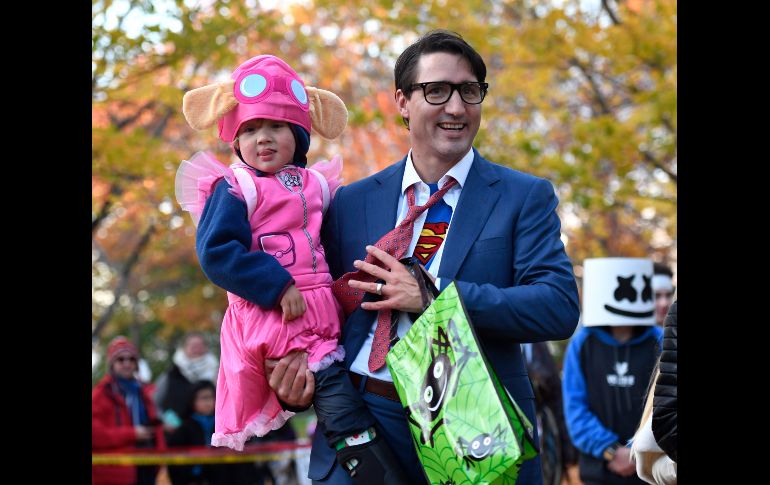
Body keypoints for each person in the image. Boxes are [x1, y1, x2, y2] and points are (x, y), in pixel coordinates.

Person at [267, 30, 580, 485]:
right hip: (362, 422)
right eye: (436, 91)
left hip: (472, 428)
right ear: (402, 102)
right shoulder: (348, 202)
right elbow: (318, 307)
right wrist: (296, 380)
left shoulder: (523, 196)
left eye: (469, 91)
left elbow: (557, 307)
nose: (456, 107)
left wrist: (435, 297)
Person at [175, 54, 407, 483]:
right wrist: (276, 286)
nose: (263, 138)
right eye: (250, 129)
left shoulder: (316, 184)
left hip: (322, 307)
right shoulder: (235, 188)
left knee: (345, 382)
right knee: (337, 397)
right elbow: (216, 252)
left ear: (298, 135)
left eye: (276, 127)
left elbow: (332, 247)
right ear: (235, 139)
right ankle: (373, 468)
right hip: (276, 313)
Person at [562, 258, 663, 485]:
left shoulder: (660, 341)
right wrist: (609, 450)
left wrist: (638, 451)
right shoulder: (582, 344)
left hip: (649, 472)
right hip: (598, 471)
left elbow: (667, 403)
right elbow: (575, 407)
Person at [92, 336, 166, 485]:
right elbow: (95, 436)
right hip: (115, 473)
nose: (127, 363)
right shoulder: (101, 394)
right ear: (112, 364)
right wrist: (132, 434)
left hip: (148, 465)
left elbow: (155, 425)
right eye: (120, 359)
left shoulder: (144, 391)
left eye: (132, 359)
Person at [167, 380, 265, 485]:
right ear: (192, 400)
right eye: (203, 398)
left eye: (211, 397)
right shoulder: (184, 429)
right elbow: (175, 461)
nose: (208, 402)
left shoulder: (228, 424)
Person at [154, 332, 219, 430]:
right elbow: (155, 402)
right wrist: (165, 420)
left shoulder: (217, 373)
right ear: (184, 348)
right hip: (179, 433)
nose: (197, 349)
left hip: (211, 432)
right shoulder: (171, 374)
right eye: (193, 346)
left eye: (200, 345)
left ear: (206, 348)